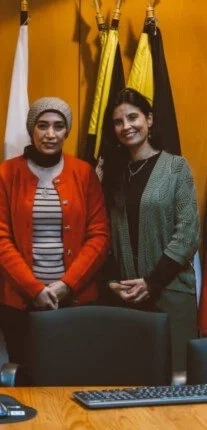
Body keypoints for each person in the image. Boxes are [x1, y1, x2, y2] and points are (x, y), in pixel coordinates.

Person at [0, 97, 109, 365]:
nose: (50, 134)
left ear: (67, 132)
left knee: (73, 370)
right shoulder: (7, 173)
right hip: (18, 303)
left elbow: (99, 236)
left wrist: (66, 285)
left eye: (58, 126)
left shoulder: (84, 173)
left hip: (76, 300)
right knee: (27, 371)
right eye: (42, 125)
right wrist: (34, 289)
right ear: (32, 129)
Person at [103, 88, 199, 373]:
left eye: (133, 117)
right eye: (118, 121)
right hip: (127, 298)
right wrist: (112, 282)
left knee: (176, 379)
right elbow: (107, 235)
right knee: (132, 379)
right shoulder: (114, 174)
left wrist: (152, 282)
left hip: (171, 293)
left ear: (149, 119)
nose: (126, 126)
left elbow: (188, 235)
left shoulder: (176, 168)